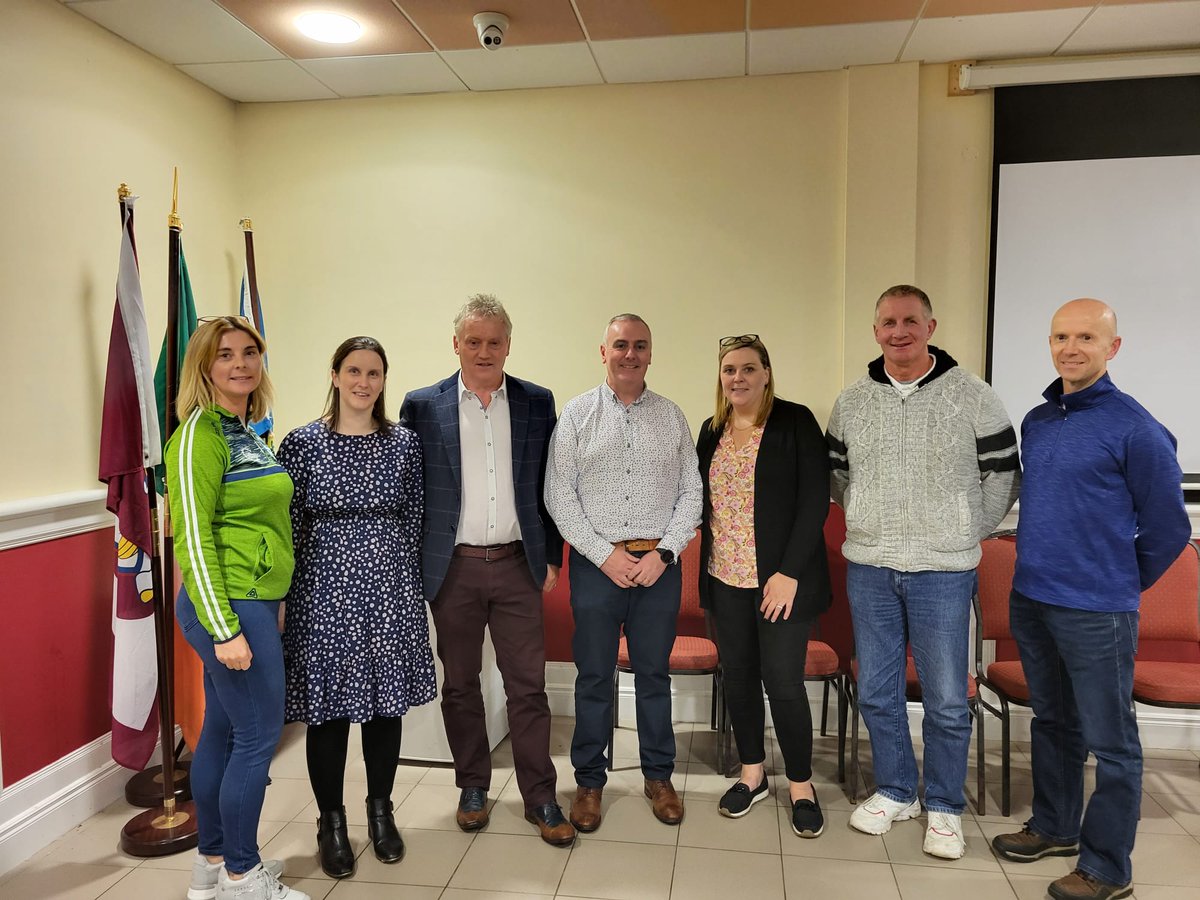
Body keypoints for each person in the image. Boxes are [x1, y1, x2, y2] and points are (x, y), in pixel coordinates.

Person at [991, 299, 1190, 900]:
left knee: (1112, 742)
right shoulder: (1039, 419)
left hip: (1097, 610)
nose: (1069, 348)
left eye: (1085, 337)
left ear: (1113, 347)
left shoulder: (1137, 428)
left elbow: (1169, 528)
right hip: (1033, 597)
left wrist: (1119, 582)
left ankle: (1107, 868)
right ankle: (1055, 827)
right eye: (1059, 336)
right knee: (1053, 720)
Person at [826, 285, 1020, 859]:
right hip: (871, 567)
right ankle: (894, 790)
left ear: (931, 327)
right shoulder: (853, 401)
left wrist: (964, 530)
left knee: (945, 698)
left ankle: (943, 805)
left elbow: (1004, 477)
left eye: (911, 321)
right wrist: (869, 523)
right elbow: (839, 479)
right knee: (879, 692)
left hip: (944, 570)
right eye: (888, 321)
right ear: (876, 329)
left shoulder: (974, 397)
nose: (899, 331)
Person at [399, 295, 574, 847]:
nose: (483, 350)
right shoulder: (421, 405)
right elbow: (412, 491)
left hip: (519, 565)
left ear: (508, 345)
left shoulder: (535, 402)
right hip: (454, 569)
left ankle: (540, 796)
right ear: (456, 344)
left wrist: (551, 557)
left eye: (493, 341)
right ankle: (472, 785)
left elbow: (550, 487)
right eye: (472, 340)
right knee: (460, 685)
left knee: (528, 687)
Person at [277, 336, 437, 879]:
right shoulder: (301, 445)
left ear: (384, 380)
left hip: (389, 590)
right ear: (335, 374)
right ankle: (332, 820)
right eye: (353, 370)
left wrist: (411, 590)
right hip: (321, 593)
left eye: (374, 373)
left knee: (385, 707)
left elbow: (415, 520)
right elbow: (289, 524)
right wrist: (284, 597)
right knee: (329, 714)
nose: (363, 382)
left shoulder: (404, 445)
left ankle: (380, 811)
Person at [165, 316, 307, 900]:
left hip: (252, 601)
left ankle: (211, 867)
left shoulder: (243, 431)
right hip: (227, 605)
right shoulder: (200, 433)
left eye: (250, 352)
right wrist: (227, 628)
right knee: (256, 737)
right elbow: (192, 537)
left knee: (223, 733)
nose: (241, 364)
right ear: (204, 366)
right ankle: (243, 876)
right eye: (225, 355)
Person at [545, 313, 703, 832]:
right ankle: (589, 782)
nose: (629, 354)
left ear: (650, 354)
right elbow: (558, 494)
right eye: (620, 345)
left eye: (639, 346)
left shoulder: (673, 417)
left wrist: (666, 554)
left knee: (654, 676)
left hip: (659, 567)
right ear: (603, 351)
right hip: (596, 567)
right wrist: (602, 553)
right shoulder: (576, 415)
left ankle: (659, 776)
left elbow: (692, 494)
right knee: (593, 678)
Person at [696, 334, 831, 837]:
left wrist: (789, 572)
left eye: (748, 368)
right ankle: (752, 774)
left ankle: (800, 783)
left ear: (767, 373)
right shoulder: (711, 431)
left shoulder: (795, 421)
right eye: (729, 370)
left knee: (782, 680)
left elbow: (815, 500)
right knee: (738, 676)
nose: (738, 378)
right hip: (724, 578)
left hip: (781, 583)